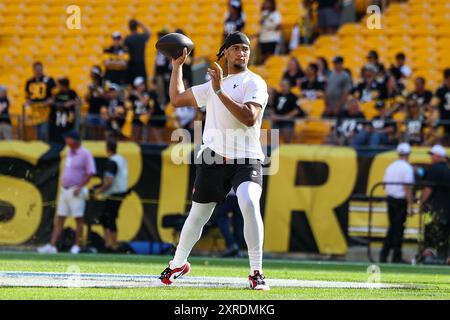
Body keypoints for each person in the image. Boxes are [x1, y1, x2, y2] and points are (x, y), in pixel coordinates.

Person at [158, 31, 270, 290]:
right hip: (214, 156)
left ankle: (256, 271)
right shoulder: (212, 86)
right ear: (226, 52)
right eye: (237, 48)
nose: (242, 53)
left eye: (246, 49)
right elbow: (176, 99)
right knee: (197, 216)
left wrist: (219, 90)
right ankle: (178, 264)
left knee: (249, 202)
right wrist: (177, 67)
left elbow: (250, 117)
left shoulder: (254, 82)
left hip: (246, 158)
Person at [37, 131, 96, 254]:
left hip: (76, 191)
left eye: (68, 139)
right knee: (60, 218)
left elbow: (91, 172)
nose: (66, 141)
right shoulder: (69, 152)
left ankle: (77, 246)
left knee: (78, 219)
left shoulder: (85, 153)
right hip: (65, 190)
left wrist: (80, 187)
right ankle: (52, 246)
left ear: (74, 140)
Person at [380, 142, 415, 263]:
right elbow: (407, 187)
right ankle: (395, 256)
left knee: (393, 228)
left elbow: (384, 185)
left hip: (390, 199)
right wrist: (410, 204)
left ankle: (385, 255)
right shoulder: (407, 168)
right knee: (398, 229)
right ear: (408, 154)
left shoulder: (390, 166)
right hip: (400, 201)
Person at [94, 138, 128, 252]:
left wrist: (98, 191)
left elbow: (109, 182)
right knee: (107, 217)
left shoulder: (112, 161)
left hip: (114, 193)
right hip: (121, 192)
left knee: (109, 218)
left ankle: (111, 245)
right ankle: (110, 243)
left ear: (107, 149)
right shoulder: (121, 159)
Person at [419, 145, 450, 263]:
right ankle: (443, 258)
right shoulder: (448, 168)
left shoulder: (434, 169)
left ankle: (430, 257)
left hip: (435, 208)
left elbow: (428, 188)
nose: (431, 157)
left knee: (431, 233)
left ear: (438, 156)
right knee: (444, 234)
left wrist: (422, 202)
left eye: (432, 155)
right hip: (447, 208)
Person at [24, 61, 56, 141]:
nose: (38, 71)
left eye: (40, 69)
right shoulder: (29, 81)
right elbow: (27, 95)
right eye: (36, 69)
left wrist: (50, 100)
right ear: (33, 70)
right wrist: (28, 100)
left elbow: (55, 94)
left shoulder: (49, 80)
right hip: (34, 111)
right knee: (38, 133)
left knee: (43, 133)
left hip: (45, 111)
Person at [269, 78, 306, 143]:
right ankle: (273, 151)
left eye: (285, 85)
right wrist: (273, 115)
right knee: (273, 139)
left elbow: (297, 110)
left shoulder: (293, 97)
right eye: (282, 85)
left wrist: (285, 117)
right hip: (276, 121)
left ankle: (286, 149)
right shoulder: (277, 95)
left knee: (287, 138)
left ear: (289, 86)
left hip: (287, 121)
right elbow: (272, 107)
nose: (283, 87)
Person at [210, 190, 244, 257]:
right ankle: (237, 249)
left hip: (228, 193)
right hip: (242, 194)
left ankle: (232, 244)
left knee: (219, 216)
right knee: (239, 221)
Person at [49, 78, 81, 146]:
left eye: (59, 85)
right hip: (59, 116)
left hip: (69, 116)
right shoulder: (58, 93)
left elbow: (79, 101)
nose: (58, 87)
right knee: (59, 131)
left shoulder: (72, 92)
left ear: (64, 86)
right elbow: (55, 102)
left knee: (69, 130)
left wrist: (71, 102)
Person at [124, 19, 151, 87]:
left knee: (132, 86)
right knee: (142, 86)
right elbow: (148, 33)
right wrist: (141, 24)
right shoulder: (141, 37)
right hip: (141, 64)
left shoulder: (127, 39)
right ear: (137, 27)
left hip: (131, 65)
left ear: (129, 28)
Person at [85, 66, 107, 139]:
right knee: (91, 130)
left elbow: (105, 96)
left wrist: (95, 88)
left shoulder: (104, 84)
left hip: (101, 111)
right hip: (92, 110)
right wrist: (90, 91)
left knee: (101, 130)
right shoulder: (91, 84)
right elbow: (87, 99)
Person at [128, 76, 151, 142]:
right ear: (137, 86)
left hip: (144, 118)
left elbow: (145, 103)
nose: (143, 86)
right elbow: (128, 105)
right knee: (135, 135)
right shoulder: (132, 96)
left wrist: (138, 95)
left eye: (143, 84)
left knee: (144, 137)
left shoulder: (146, 94)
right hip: (135, 117)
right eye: (141, 84)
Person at [434, 68, 450, 144]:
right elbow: (433, 104)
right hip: (443, 119)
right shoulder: (441, 90)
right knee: (440, 138)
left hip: (445, 119)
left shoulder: (440, 90)